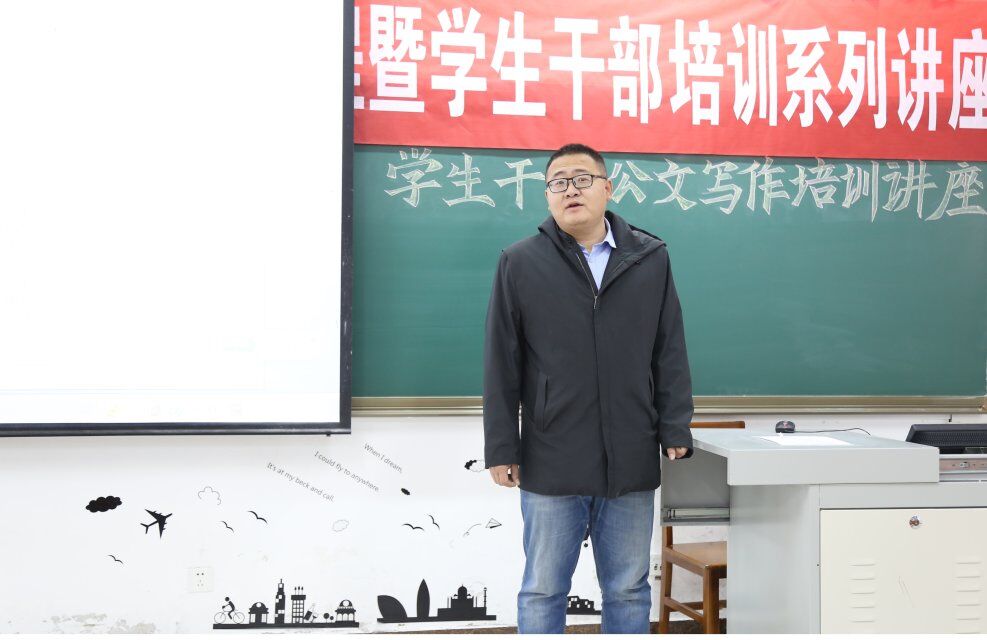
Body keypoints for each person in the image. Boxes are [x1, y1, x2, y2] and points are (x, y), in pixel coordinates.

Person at [483, 143, 694, 634]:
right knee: (543, 589)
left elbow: (669, 349)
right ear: (547, 195)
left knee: (628, 588)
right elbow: (501, 362)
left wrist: (674, 425)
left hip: (630, 452)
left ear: (607, 188)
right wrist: (501, 446)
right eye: (558, 182)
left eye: (581, 178)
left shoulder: (649, 259)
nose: (570, 190)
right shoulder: (520, 262)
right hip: (551, 454)